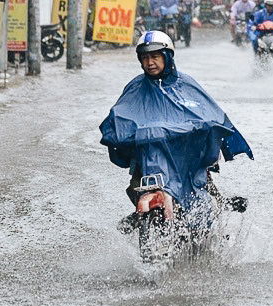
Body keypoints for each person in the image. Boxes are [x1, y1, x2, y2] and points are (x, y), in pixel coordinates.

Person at [99, 31, 252, 225]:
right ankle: (141, 216)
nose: (150, 63)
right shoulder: (135, 87)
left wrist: (204, 129)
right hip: (150, 158)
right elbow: (118, 117)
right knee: (136, 185)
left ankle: (213, 211)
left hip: (186, 156)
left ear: (167, 56)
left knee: (202, 193)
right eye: (145, 57)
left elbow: (212, 114)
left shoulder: (187, 84)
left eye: (155, 56)